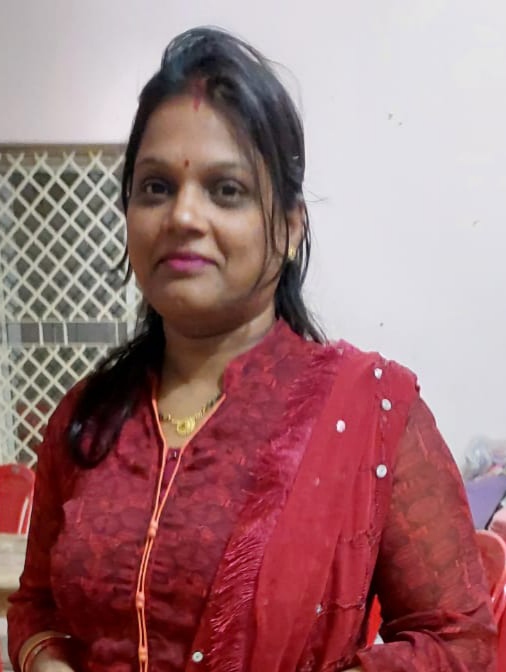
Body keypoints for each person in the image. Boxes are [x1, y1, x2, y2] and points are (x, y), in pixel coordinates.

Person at [7, 26, 497, 672]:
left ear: (290, 228)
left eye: (226, 190)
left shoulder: (372, 412)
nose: (183, 216)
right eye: (155, 187)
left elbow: (459, 642)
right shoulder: (88, 417)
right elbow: (37, 604)